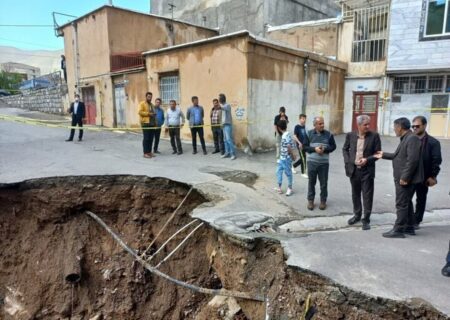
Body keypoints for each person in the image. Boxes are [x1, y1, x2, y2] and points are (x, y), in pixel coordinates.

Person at [374, 117, 423, 238]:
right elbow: (399, 156)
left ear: (400, 127)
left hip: (406, 179)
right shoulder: (406, 138)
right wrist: (383, 155)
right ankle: (409, 227)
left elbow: (413, 160)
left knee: (401, 203)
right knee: (407, 202)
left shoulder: (412, 138)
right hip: (403, 177)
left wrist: (405, 177)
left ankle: (399, 229)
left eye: (395, 127)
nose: (394, 129)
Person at [343, 115, 381, 230]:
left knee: (367, 195)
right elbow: (345, 149)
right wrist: (348, 161)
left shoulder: (374, 136)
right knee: (355, 194)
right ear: (358, 125)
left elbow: (378, 153)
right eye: (365, 125)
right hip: (354, 170)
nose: (368, 126)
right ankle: (357, 215)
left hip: (367, 171)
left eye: (369, 124)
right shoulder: (350, 135)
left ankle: (366, 219)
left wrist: (367, 160)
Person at [411, 116, 442, 228]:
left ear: (424, 125)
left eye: (417, 126)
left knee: (421, 199)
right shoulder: (409, 139)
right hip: (410, 175)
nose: (414, 128)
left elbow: (436, 160)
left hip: (424, 176)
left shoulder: (433, 142)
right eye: (413, 126)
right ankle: (408, 218)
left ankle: (416, 221)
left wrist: (433, 176)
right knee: (406, 198)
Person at [303, 116, 336, 211]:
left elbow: (333, 146)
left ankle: (323, 201)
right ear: (315, 125)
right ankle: (310, 201)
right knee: (311, 182)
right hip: (312, 163)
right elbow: (304, 147)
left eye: (323, 123)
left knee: (323, 183)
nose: (322, 125)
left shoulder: (328, 134)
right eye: (320, 124)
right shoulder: (309, 134)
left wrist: (325, 149)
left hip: (324, 164)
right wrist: (315, 149)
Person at [275, 120, 294, 196]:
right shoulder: (285, 134)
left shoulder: (286, 135)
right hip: (282, 158)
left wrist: (292, 156)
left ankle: (290, 188)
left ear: (279, 128)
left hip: (286, 158)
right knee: (278, 171)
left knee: (288, 173)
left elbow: (289, 146)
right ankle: (279, 187)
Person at [138, 92, 156, 158]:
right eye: (148, 96)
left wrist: (154, 115)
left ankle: (149, 152)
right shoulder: (142, 103)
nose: (150, 98)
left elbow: (153, 114)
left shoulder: (152, 105)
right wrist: (148, 114)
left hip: (152, 124)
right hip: (145, 123)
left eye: (151, 97)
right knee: (146, 138)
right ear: (146, 97)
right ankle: (145, 153)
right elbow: (140, 112)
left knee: (151, 139)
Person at [219, 93, 236, 160]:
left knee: (229, 140)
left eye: (219, 98)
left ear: (222, 99)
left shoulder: (227, 105)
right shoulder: (222, 106)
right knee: (225, 140)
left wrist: (218, 106)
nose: (219, 99)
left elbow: (223, 108)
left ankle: (233, 154)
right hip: (223, 125)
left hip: (228, 125)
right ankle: (227, 153)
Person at [293, 114, 309, 178]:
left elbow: (306, 136)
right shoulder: (297, 127)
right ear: (299, 119)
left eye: (305, 118)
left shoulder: (305, 127)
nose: (304, 120)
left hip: (304, 145)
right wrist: (299, 143)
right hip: (300, 145)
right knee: (303, 158)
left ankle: (293, 166)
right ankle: (303, 172)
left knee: (303, 158)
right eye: (302, 118)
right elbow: (294, 136)